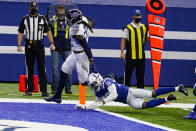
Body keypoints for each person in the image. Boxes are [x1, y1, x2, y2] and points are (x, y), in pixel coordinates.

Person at [44, 9, 95, 103]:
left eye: (69, 19)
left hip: (82, 56)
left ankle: (105, 85)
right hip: (75, 54)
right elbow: (92, 22)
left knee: (84, 82)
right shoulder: (83, 19)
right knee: (64, 70)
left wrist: (90, 58)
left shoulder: (75, 30)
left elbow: (85, 45)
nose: (67, 20)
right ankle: (57, 96)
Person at [75, 72, 188, 110]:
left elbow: (114, 95)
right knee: (144, 105)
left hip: (130, 92)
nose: (93, 86)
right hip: (128, 101)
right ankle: (168, 98)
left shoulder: (107, 81)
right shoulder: (98, 91)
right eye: (92, 85)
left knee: (152, 93)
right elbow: (96, 103)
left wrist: (103, 102)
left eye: (94, 84)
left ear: (99, 79)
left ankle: (178, 88)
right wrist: (84, 106)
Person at [17, 1, 55, 96]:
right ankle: (29, 89)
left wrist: (51, 43)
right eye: (32, 8)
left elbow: (48, 31)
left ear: (37, 8)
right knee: (29, 67)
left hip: (39, 45)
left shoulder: (42, 19)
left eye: (35, 8)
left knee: (42, 67)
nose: (33, 9)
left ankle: (44, 90)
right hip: (29, 45)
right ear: (29, 8)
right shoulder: (25, 19)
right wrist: (19, 44)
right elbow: (20, 32)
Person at [120, 9, 148, 88]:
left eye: (139, 15)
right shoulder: (128, 28)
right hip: (130, 56)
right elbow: (123, 40)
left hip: (141, 56)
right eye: (136, 15)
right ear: (133, 17)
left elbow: (147, 38)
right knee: (128, 75)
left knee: (141, 76)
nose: (138, 17)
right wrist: (122, 52)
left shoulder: (144, 27)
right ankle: (126, 92)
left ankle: (141, 93)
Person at [48, 4, 72, 94]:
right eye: (59, 12)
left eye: (62, 12)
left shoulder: (70, 20)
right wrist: (51, 43)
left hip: (67, 47)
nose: (61, 13)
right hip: (55, 48)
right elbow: (48, 30)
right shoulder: (52, 20)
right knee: (54, 69)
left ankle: (68, 88)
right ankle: (54, 89)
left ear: (65, 12)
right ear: (57, 12)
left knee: (68, 69)